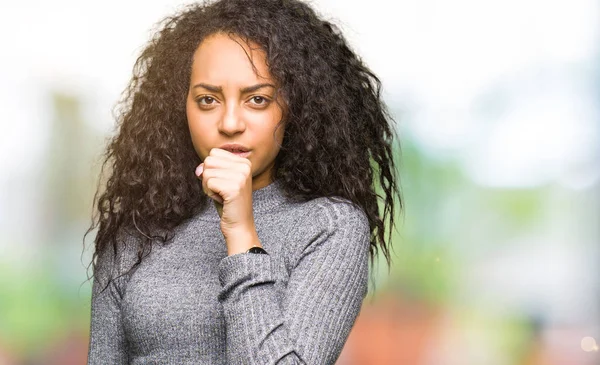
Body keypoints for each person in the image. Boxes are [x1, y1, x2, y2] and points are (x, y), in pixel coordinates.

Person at [84, 0, 402, 363]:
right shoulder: (138, 231)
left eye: (257, 99)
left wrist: (240, 232)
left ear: (294, 106)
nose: (230, 123)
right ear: (180, 107)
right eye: (207, 100)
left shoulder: (329, 226)